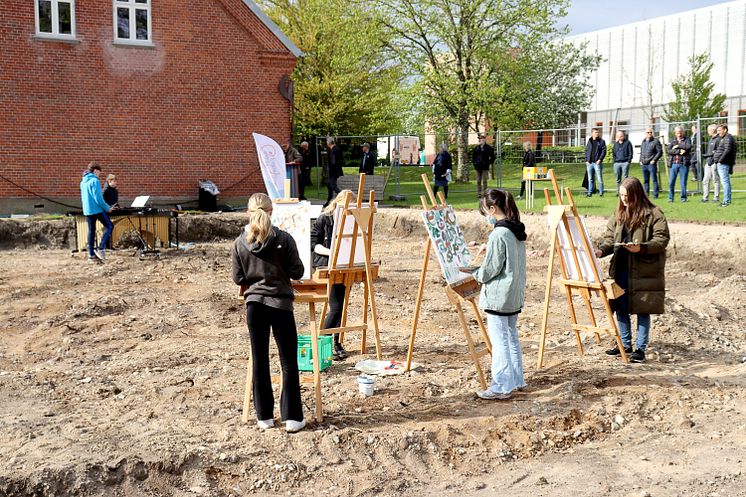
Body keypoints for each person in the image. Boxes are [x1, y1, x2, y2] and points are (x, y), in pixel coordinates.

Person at [231, 193, 306, 432]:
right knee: (288, 362)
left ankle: (264, 417)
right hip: (281, 306)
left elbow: (238, 278)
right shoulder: (284, 238)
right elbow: (297, 271)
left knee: (260, 360)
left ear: (248, 212)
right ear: (272, 212)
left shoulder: (239, 243)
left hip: (254, 306)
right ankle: (293, 418)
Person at [595, 177, 670, 363]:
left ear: (637, 194)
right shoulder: (618, 213)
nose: (624, 200)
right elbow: (609, 238)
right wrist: (601, 250)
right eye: (621, 196)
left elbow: (661, 240)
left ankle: (640, 349)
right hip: (621, 268)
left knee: (643, 309)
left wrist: (641, 248)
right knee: (620, 307)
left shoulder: (654, 214)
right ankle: (625, 345)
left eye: (627, 196)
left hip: (645, 271)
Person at [472, 188, 527, 400]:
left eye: (486, 212)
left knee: (500, 341)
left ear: (493, 208)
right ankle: (516, 379)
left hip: (499, 296)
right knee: (511, 337)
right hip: (513, 294)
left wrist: (476, 273)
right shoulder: (515, 230)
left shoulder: (499, 233)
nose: (486, 217)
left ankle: (501, 385)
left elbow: (491, 269)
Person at [311, 190, 355, 360]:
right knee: (336, 308)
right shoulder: (325, 218)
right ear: (338, 203)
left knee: (341, 308)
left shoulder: (352, 220)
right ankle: (323, 344)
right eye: (347, 205)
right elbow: (314, 244)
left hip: (345, 264)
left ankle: (336, 343)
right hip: (326, 264)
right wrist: (332, 252)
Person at [79, 162, 113, 263]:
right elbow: (98, 198)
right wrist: (107, 208)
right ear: (95, 171)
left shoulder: (83, 182)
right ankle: (101, 248)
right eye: (99, 172)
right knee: (110, 226)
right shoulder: (94, 181)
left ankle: (91, 255)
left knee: (91, 231)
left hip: (87, 210)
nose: (99, 175)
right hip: (97, 209)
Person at [713, 124, 736, 207]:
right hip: (722, 163)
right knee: (726, 182)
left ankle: (726, 201)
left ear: (725, 130)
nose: (718, 132)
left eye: (719, 130)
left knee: (725, 182)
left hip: (723, 163)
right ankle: (727, 200)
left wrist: (720, 160)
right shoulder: (725, 138)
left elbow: (727, 150)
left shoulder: (728, 138)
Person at [666, 126, 691, 203]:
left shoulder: (687, 140)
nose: (679, 134)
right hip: (673, 164)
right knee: (671, 182)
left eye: (680, 132)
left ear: (683, 132)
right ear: (675, 133)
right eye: (677, 133)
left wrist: (678, 146)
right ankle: (670, 198)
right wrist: (679, 151)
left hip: (683, 164)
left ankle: (683, 198)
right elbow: (669, 151)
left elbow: (688, 146)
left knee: (683, 183)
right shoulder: (672, 140)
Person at [639, 128, 662, 198]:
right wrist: (640, 160)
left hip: (651, 164)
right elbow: (642, 152)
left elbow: (659, 152)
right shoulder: (643, 141)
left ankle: (655, 195)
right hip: (644, 164)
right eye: (647, 132)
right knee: (645, 180)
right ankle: (646, 194)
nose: (649, 133)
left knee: (654, 179)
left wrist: (654, 160)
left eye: (650, 132)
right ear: (645, 133)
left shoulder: (655, 141)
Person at [700, 124, 720, 203]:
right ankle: (705, 197)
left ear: (712, 130)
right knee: (705, 180)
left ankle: (716, 197)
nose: (708, 132)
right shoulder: (711, 139)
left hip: (714, 162)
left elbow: (718, 152)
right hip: (708, 162)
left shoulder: (718, 139)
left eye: (708, 130)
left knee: (715, 180)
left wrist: (710, 155)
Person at [585, 128, 607, 197]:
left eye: (597, 132)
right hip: (589, 163)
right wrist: (586, 160)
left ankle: (601, 192)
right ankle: (590, 193)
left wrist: (600, 159)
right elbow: (586, 151)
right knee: (590, 179)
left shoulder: (601, 141)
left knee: (599, 178)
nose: (597, 133)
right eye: (595, 132)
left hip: (597, 163)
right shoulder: (589, 141)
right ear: (592, 133)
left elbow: (604, 151)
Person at [612, 130, 633, 195]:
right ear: (617, 137)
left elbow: (630, 152)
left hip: (625, 163)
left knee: (625, 179)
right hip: (617, 163)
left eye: (621, 136)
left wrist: (628, 161)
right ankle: (618, 192)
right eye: (619, 136)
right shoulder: (615, 144)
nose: (620, 137)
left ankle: (625, 192)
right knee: (618, 179)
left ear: (624, 136)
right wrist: (615, 161)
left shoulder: (628, 143)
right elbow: (614, 153)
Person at [325, 137, 344, 206]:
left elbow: (333, 162)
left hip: (333, 172)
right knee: (329, 186)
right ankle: (329, 201)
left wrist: (329, 173)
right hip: (336, 171)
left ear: (329, 143)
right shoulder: (337, 149)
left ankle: (343, 196)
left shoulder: (333, 150)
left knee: (333, 186)